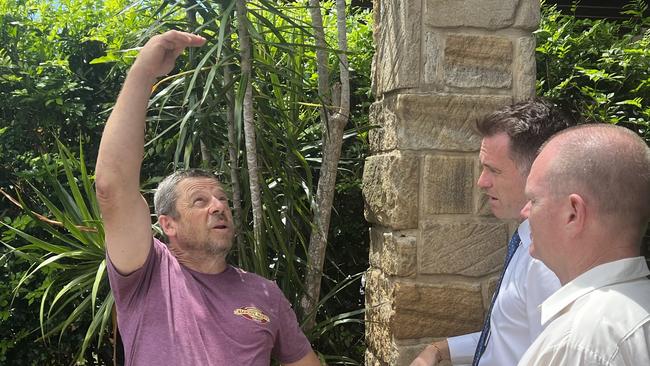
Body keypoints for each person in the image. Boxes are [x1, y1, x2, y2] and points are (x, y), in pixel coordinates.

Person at [95, 30, 320, 366]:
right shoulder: (147, 273)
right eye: (200, 201)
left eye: (222, 198)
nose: (219, 205)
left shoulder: (265, 294)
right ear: (167, 223)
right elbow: (112, 186)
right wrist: (143, 72)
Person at [410, 98, 575, 366]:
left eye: (493, 171)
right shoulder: (527, 241)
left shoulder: (547, 263)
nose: (481, 182)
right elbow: (506, 336)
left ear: (538, 172)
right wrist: (438, 350)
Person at [517, 124, 650, 365]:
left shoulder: (579, 343)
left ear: (573, 213)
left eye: (533, 200)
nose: (524, 212)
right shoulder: (638, 308)